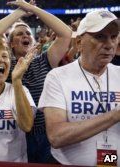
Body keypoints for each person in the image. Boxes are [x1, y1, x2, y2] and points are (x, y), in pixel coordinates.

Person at [0, 0, 72, 163]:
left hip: (46, 134)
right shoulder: (5, 64)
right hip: (15, 132)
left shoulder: (45, 60)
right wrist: (19, 12)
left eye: (28, 34)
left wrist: (32, 8)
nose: (25, 35)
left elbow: (66, 34)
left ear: (33, 42)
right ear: (10, 44)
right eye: (19, 34)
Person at [38, 9, 120, 166]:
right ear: (79, 43)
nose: (109, 44)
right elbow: (56, 136)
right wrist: (114, 116)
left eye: (114, 37)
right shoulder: (58, 77)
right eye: (100, 36)